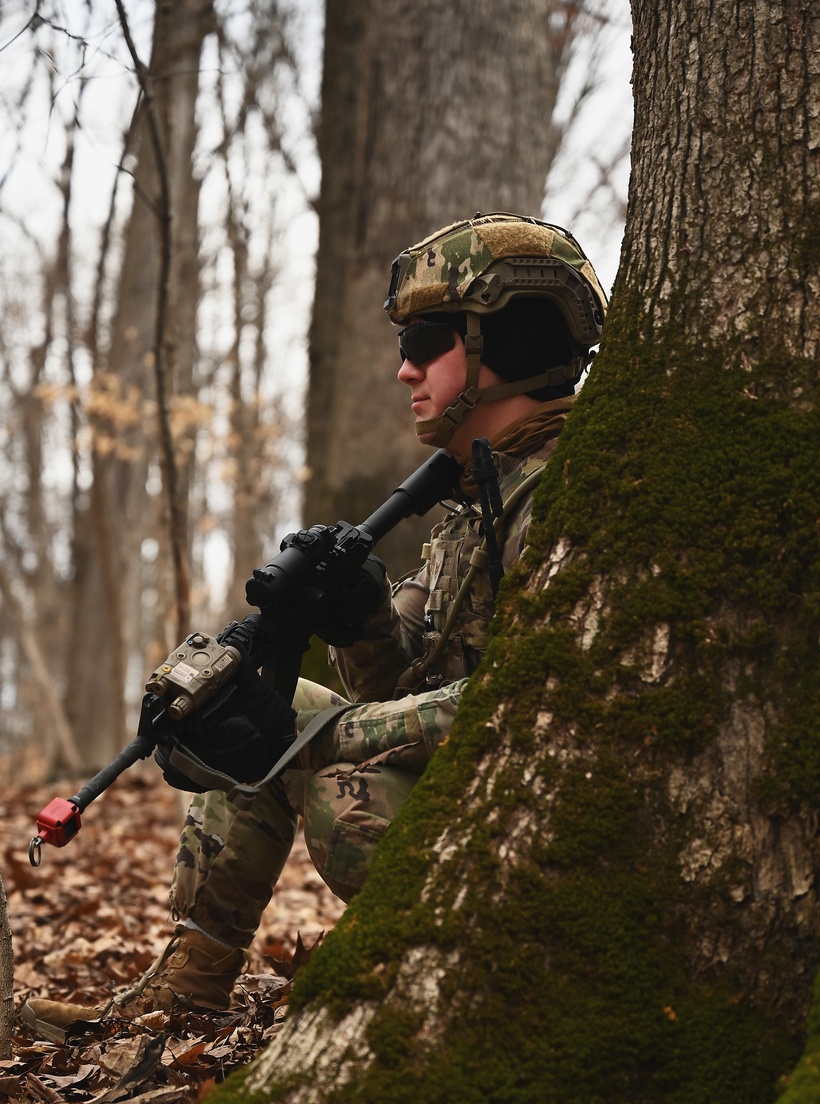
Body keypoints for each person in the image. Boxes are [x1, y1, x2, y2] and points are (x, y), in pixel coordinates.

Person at [23, 214, 606, 1041]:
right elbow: (405, 686)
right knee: (249, 699)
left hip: (551, 826)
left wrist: (338, 734)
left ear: (510, 339)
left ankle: (451, 1009)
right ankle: (186, 987)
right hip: (475, 794)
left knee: (344, 791)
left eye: (429, 339)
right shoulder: (475, 498)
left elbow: (541, 700)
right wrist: (359, 618)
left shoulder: (576, 488)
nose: (405, 368)